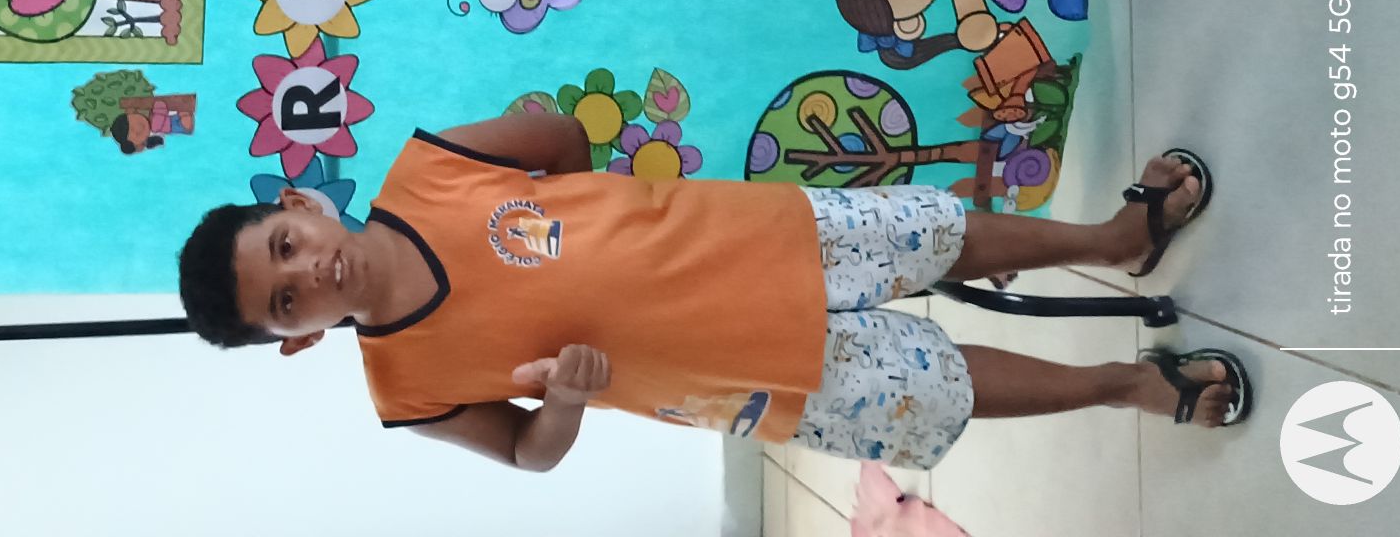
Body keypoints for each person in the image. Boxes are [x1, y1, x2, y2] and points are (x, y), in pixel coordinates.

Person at [176, 109, 1247, 471]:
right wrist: (562, 402)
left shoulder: (426, 168)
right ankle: (1123, 386)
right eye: (285, 302)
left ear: (300, 206)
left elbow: (558, 135)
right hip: (739, 377)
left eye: (284, 245)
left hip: (753, 237)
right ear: (297, 340)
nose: (306, 274)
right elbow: (528, 455)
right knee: (937, 388)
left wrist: (591, 206)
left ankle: (1114, 240)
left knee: (935, 232)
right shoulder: (405, 388)